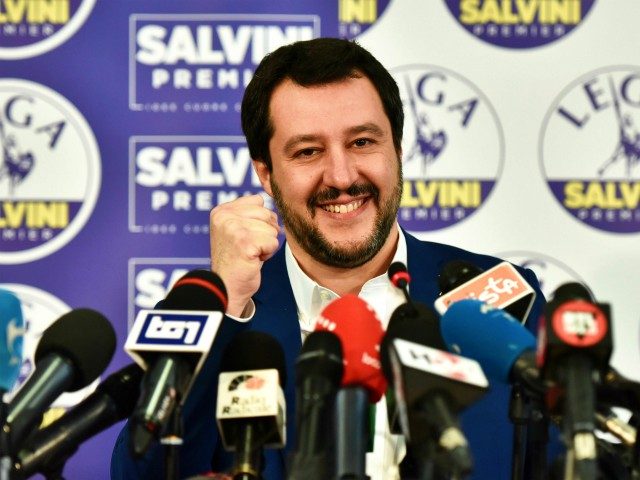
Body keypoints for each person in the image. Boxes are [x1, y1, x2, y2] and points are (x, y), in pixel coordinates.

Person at [111, 37, 546, 480]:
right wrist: (226, 307)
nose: (341, 177)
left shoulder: (499, 299)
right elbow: (142, 470)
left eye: (361, 142)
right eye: (307, 151)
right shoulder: (220, 319)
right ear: (266, 173)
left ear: (397, 150)